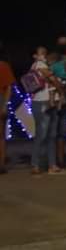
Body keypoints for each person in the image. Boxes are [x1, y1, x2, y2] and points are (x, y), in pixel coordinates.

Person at [30, 46, 63, 175]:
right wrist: (61, 88)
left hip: (52, 102)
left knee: (51, 135)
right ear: (35, 55)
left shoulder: (47, 65)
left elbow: (54, 79)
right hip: (41, 102)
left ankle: (51, 164)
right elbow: (52, 79)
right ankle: (35, 164)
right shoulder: (38, 64)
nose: (44, 54)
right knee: (42, 135)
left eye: (45, 52)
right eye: (41, 52)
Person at [0, 44, 13, 174]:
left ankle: (1, 164)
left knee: (1, 135)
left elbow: (8, 87)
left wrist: (4, 105)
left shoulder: (3, 66)